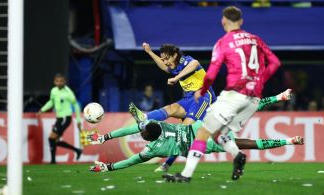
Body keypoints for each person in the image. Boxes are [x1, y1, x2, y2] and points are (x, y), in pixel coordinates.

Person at [163, 6, 282, 182]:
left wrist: (201, 92)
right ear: (241, 21)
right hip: (253, 98)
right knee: (220, 133)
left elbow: (211, 73)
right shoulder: (256, 40)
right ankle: (238, 155)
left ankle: (185, 175)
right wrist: (260, 80)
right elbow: (275, 62)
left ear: (223, 21)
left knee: (203, 132)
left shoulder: (223, 42)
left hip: (234, 95)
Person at [87, 110, 303, 173]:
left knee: (244, 143)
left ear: (147, 138)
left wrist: (109, 167)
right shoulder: (157, 125)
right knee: (238, 125)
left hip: (201, 143)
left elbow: (133, 160)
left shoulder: (153, 148)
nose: (139, 133)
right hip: (199, 128)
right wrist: (105, 137)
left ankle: (288, 141)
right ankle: (284, 134)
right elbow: (134, 127)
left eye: (141, 134)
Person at [135, 43, 217, 171]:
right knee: (171, 108)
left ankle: (167, 164)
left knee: (182, 131)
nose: (165, 62)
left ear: (175, 55)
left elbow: (195, 63)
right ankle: (144, 117)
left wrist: (176, 78)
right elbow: (163, 66)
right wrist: (150, 52)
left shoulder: (184, 60)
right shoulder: (173, 65)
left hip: (203, 96)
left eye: (167, 58)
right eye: (163, 59)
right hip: (189, 97)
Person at [38, 73, 83, 164]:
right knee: (55, 140)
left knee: (51, 138)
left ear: (64, 82)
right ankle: (77, 150)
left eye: (61, 81)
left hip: (66, 118)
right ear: (54, 82)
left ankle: (53, 161)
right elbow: (51, 102)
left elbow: (76, 105)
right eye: (57, 81)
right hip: (59, 118)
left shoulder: (68, 92)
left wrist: (78, 120)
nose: (59, 83)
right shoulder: (53, 91)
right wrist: (42, 110)